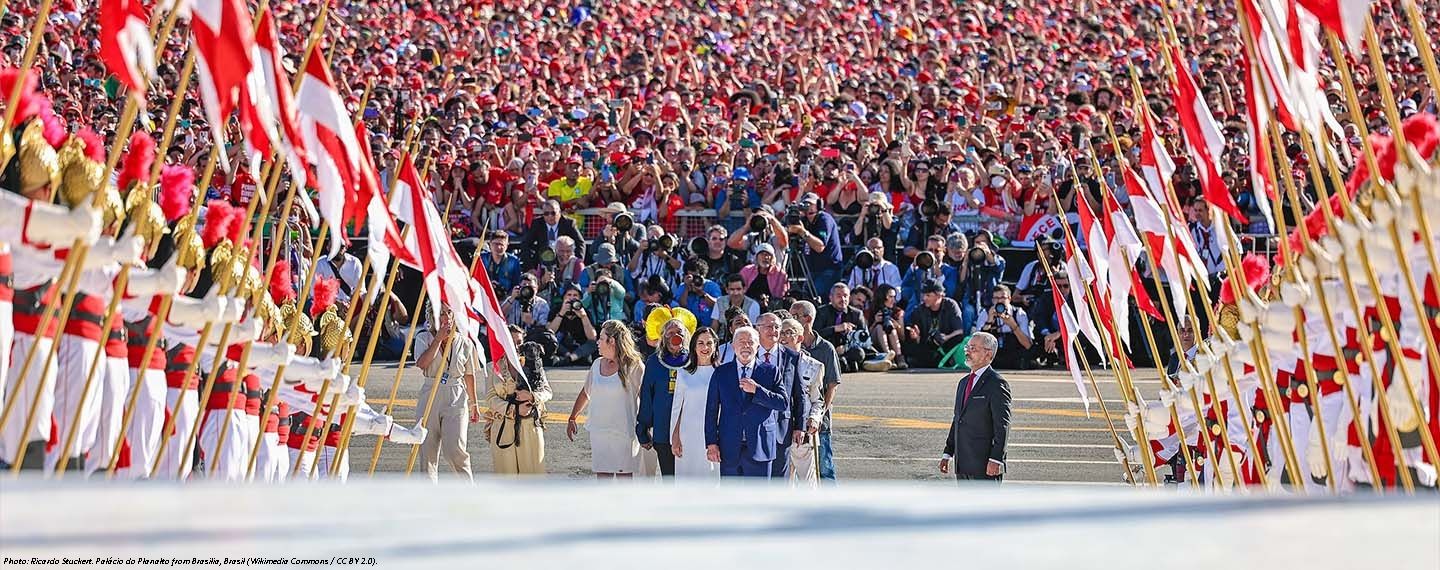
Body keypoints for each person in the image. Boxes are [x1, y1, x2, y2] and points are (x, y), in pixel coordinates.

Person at [704, 326, 786, 478]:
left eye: (750, 342)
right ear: (733, 345)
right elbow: (711, 411)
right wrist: (711, 443)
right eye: (741, 342)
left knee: (757, 500)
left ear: (758, 346)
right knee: (730, 498)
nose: (746, 346)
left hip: (760, 446)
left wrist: (758, 390)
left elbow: (782, 403)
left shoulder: (771, 371)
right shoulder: (721, 372)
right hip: (729, 447)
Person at [566, 321, 645, 478]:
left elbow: (645, 398)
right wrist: (572, 417)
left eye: (601, 338)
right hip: (599, 431)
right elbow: (585, 393)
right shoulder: (596, 364)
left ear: (612, 341)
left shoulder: (634, 366)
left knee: (624, 478)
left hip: (623, 432)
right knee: (603, 477)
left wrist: (645, 427)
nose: (597, 342)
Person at [414, 306, 482, 483]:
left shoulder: (465, 342)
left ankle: (467, 490)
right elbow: (422, 364)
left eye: (448, 312)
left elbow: (469, 374)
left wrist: (474, 404)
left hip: (455, 395)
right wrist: (437, 340)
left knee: (455, 449)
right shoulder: (424, 337)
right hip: (431, 392)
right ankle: (429, 496)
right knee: (427, 450)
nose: (445, 316)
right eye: (440, 312)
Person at [940, 333, 1013, 483]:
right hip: (963, 464)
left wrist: (996, 458)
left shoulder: (997, 384)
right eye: (967, 347)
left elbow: (1002, 425)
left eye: (973, 348)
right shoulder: (963, 383)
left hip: (985, 465)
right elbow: (958, 419)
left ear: (988, 353)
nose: (967, 351)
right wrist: (948, 452)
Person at [483, 334, 552, 476]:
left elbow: (547, 392)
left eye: (519, 342)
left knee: (533, 479)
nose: (515, 346)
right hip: (503, 427)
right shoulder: (493, 367)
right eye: (510, 342)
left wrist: (532, 396)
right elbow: (490, 398)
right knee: (506, 479)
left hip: (530, 426)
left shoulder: (533, 362)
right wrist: (513, 409)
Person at [754, 313, 810, 478]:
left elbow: (799, 394)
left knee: (780, 479)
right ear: (758, 329)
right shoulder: (749, 353)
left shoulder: (792, 356)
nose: (774, 331)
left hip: (781, 428)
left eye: (777, 327)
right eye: (768, 327)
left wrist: (800, 426)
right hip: (754, 426)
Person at [791, 301, 841, 481]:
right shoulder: (790, 347)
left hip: (819, 422)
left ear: (808, 319)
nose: (791, 319)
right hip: (795, 422)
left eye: (796, 316)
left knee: (824, 468)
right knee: (797, 472)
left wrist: (819, 415)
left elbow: (832, 385)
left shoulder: (826, 348)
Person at [637, 319, 691, 476]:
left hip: (690, 431)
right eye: (671, 333)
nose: (676, 336)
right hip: (663, 431)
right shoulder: (654, 362)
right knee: (669, 478)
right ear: (664, 337)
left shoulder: (694, 361)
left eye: (680, 332)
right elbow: (647, 397)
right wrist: (643, 429)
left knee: (689, 480)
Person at [778, 318, 826, 484]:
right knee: (783, 481)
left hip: (804, 431)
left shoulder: (814, 366)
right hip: (780, 429)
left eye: (788, 332)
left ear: (800, 337)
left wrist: (814, 419)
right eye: (780, 332)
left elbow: (817, 400)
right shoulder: (773, 363)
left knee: (809, 481)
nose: (782, 337)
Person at [670, 327, 720, 480]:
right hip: (688, 435)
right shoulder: (683, 373)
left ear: (715, 346)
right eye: (700, 343)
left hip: (713, 436)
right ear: (693, 346)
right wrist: (675, 437)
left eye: (709, 343)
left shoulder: (722, 372)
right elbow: (677, 408)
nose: (705, 347)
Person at [787, 192, 843, 294]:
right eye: (805, 205)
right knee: (807, 296)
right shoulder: (804, 220)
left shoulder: (824, 219)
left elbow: (820, 246)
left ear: (818, 205)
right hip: (812, 270)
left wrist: (801, 231)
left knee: (817, 297)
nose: (808, 208)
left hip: (828, 270)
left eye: (811, 204)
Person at [814, 283, 874, 373]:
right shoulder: (822, 312)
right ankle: (842, 363)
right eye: (839, 296)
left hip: (847, 349)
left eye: (845, 296)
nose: (843, 299)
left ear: (849, 298)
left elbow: (864, 339)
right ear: (831, 297)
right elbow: (815, 334)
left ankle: (842, 362)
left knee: (859, 353)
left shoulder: (857, 314)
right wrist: (835, 329)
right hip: (828, 348)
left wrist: (846, 347)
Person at [905, 281, 966, 368]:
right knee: (912, 350)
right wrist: (916, 337)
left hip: (947, 343)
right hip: (929, 346)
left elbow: (959, 330)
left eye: (928, 295)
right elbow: (919, 339)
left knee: (957, 339)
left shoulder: (951, 305)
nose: (924, 298)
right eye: (924, 295)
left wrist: (945, 337)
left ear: (939, 295)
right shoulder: (919, 310)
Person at [974, 284, 1035, 369]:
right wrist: (989, 322)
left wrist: (1013, 325)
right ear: (992, 300)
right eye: (996, 298)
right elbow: (977, 344)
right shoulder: (986, 313)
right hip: (994, 357)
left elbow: (1028, 345)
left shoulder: (1019, 313)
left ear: (1009, 299)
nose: (999, 301)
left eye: (1003, 298)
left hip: (1014, 356)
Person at [519, 200, 586, 270]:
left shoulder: (569, 223)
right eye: (546, 213)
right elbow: (525, 244)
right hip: (542, 261)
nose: (550, 216)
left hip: (564, 261)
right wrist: (530, 268)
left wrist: (577, 263)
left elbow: (580, 243)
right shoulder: (537, 223)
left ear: (560, 213)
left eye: (553, 213)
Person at [547, 285, 598, 366]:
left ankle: (570, 358)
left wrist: (583, 317)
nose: (572, 298)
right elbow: (549, 332)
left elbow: (592, 337)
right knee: (548, 339)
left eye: (575, 295)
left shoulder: (585, 312)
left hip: (579, 348)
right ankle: (569, 357)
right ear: (564, 297)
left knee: (595, 343)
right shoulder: (556, 310)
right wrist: (561, 313)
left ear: (579, 298)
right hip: (561, 347)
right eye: (569, 295)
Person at [739, 243, 789, 309]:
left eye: (768, 255)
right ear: (756, 257)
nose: (765, 257)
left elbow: (780, 296)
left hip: (771, 307)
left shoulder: (780, 274)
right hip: (747, 305)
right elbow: (739, 290)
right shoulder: (746, 271)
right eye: (762, 254)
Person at [677, 260, 721, 328]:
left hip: (709, 327)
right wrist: (686, 288)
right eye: (692, 277)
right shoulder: (683, 286)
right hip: (689, 326)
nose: (694, 280)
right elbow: (682, 305)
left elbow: (717, 305)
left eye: (696, 277)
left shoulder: (712, 286)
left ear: (702, 275)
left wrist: (701, 293)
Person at [482, 231, 523, 296]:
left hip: (507, 297)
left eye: (502, 244)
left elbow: (516, 283)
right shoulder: (482, 258)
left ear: (507, 246)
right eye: (496, 244)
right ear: (490, 244)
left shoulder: (513, 261)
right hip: (485, 295)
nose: (499, 247)